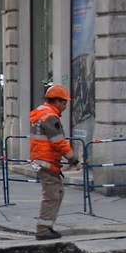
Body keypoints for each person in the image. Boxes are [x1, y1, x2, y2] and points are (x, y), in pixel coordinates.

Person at [29, 84, 81, 240]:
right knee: (52, 196)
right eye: (64, 102)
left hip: (43, 160)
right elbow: (59, 142)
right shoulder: (50, 117)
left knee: (57, 193)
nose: (65, 106)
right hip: (46, 161)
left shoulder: (42, 113)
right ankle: (43, 230)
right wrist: (74, 160)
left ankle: (47, 226)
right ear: (57, 101)